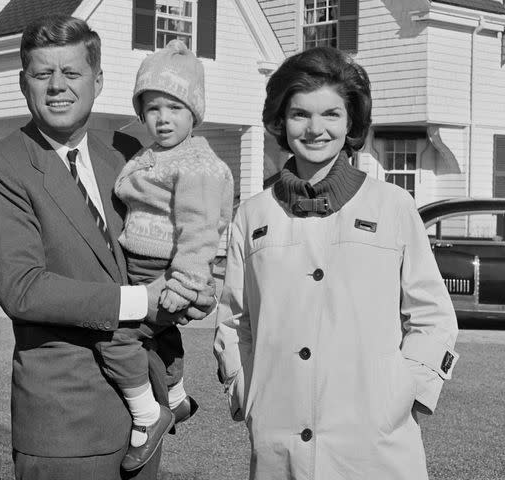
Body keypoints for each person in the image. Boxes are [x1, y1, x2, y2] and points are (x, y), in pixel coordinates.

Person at [0, 14, 212, 480]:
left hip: (147, 412)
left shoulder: (127, 153)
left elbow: (175, 228)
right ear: (24, 83)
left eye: (72, 73)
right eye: (43, 74)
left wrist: (194, 285)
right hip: (66, 425)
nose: (57, 86)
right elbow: (23, 289)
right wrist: (147, 300)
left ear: (98, 81)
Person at [213, 46, 459, 480]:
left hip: (376, 446)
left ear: (351, 124)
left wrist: (405, 395)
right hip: (278, 443)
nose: (314, 129)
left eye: (330, 114)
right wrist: (245, 392)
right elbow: (235, 322)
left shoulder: (394, 206)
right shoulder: (251, 215)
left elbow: (433, 316)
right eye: (299, 114)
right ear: (280, 121)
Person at [112, 39, 233, 470]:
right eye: (153, 108)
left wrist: (183, 284)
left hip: (164, 270)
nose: (163, 119)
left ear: (194, 113)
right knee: (161, 338)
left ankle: (150, 414)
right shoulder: (155, 155)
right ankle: (178, 397)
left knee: (115, 338)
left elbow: (199, 231)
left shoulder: (196, 163)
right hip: (142, 264)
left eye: (175, 108)